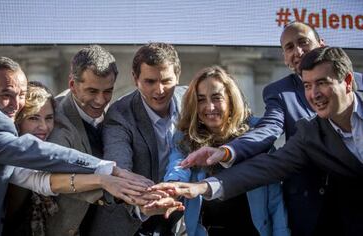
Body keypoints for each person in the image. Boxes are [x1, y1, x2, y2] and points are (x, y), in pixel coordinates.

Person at [153, 46, 363, 236]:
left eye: (322, 83)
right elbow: (265, 168)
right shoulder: (309, 132)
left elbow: (272, 195)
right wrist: (192, 187)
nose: (314, 94)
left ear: (347, 81)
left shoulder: (255, 133)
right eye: (307, 86)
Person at [0, 57, 146, 236]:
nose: (15, 103)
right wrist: (106, 171)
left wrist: (105, 180)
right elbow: (36, 155)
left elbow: (39, 179)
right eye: (6, 94)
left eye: (21, 95)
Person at [2, 82, 150, 236]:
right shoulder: (6, 152)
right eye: (33, 118)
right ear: (18, 120)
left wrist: (113, 182)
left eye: (49, 118)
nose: (44, 127)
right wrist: (104, 178)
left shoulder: (52, 140)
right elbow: (48, 181)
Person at [164, 66, 289, 236]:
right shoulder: (185, 139)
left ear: (231, 100)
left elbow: (276, 202)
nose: (210, 107)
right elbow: (178, 166)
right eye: (201, 99)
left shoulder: (254, 140)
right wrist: (171, 187)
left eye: (216, 98)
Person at [101, 42, 187, 235]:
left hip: (189, 214)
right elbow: (119, 169)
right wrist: (142, 202)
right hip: (141, 216)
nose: (160, 90)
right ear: (135, 79)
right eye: (150, 81)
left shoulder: (193, 101)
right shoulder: (119, 114)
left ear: (178, 76)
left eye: (166, 81)